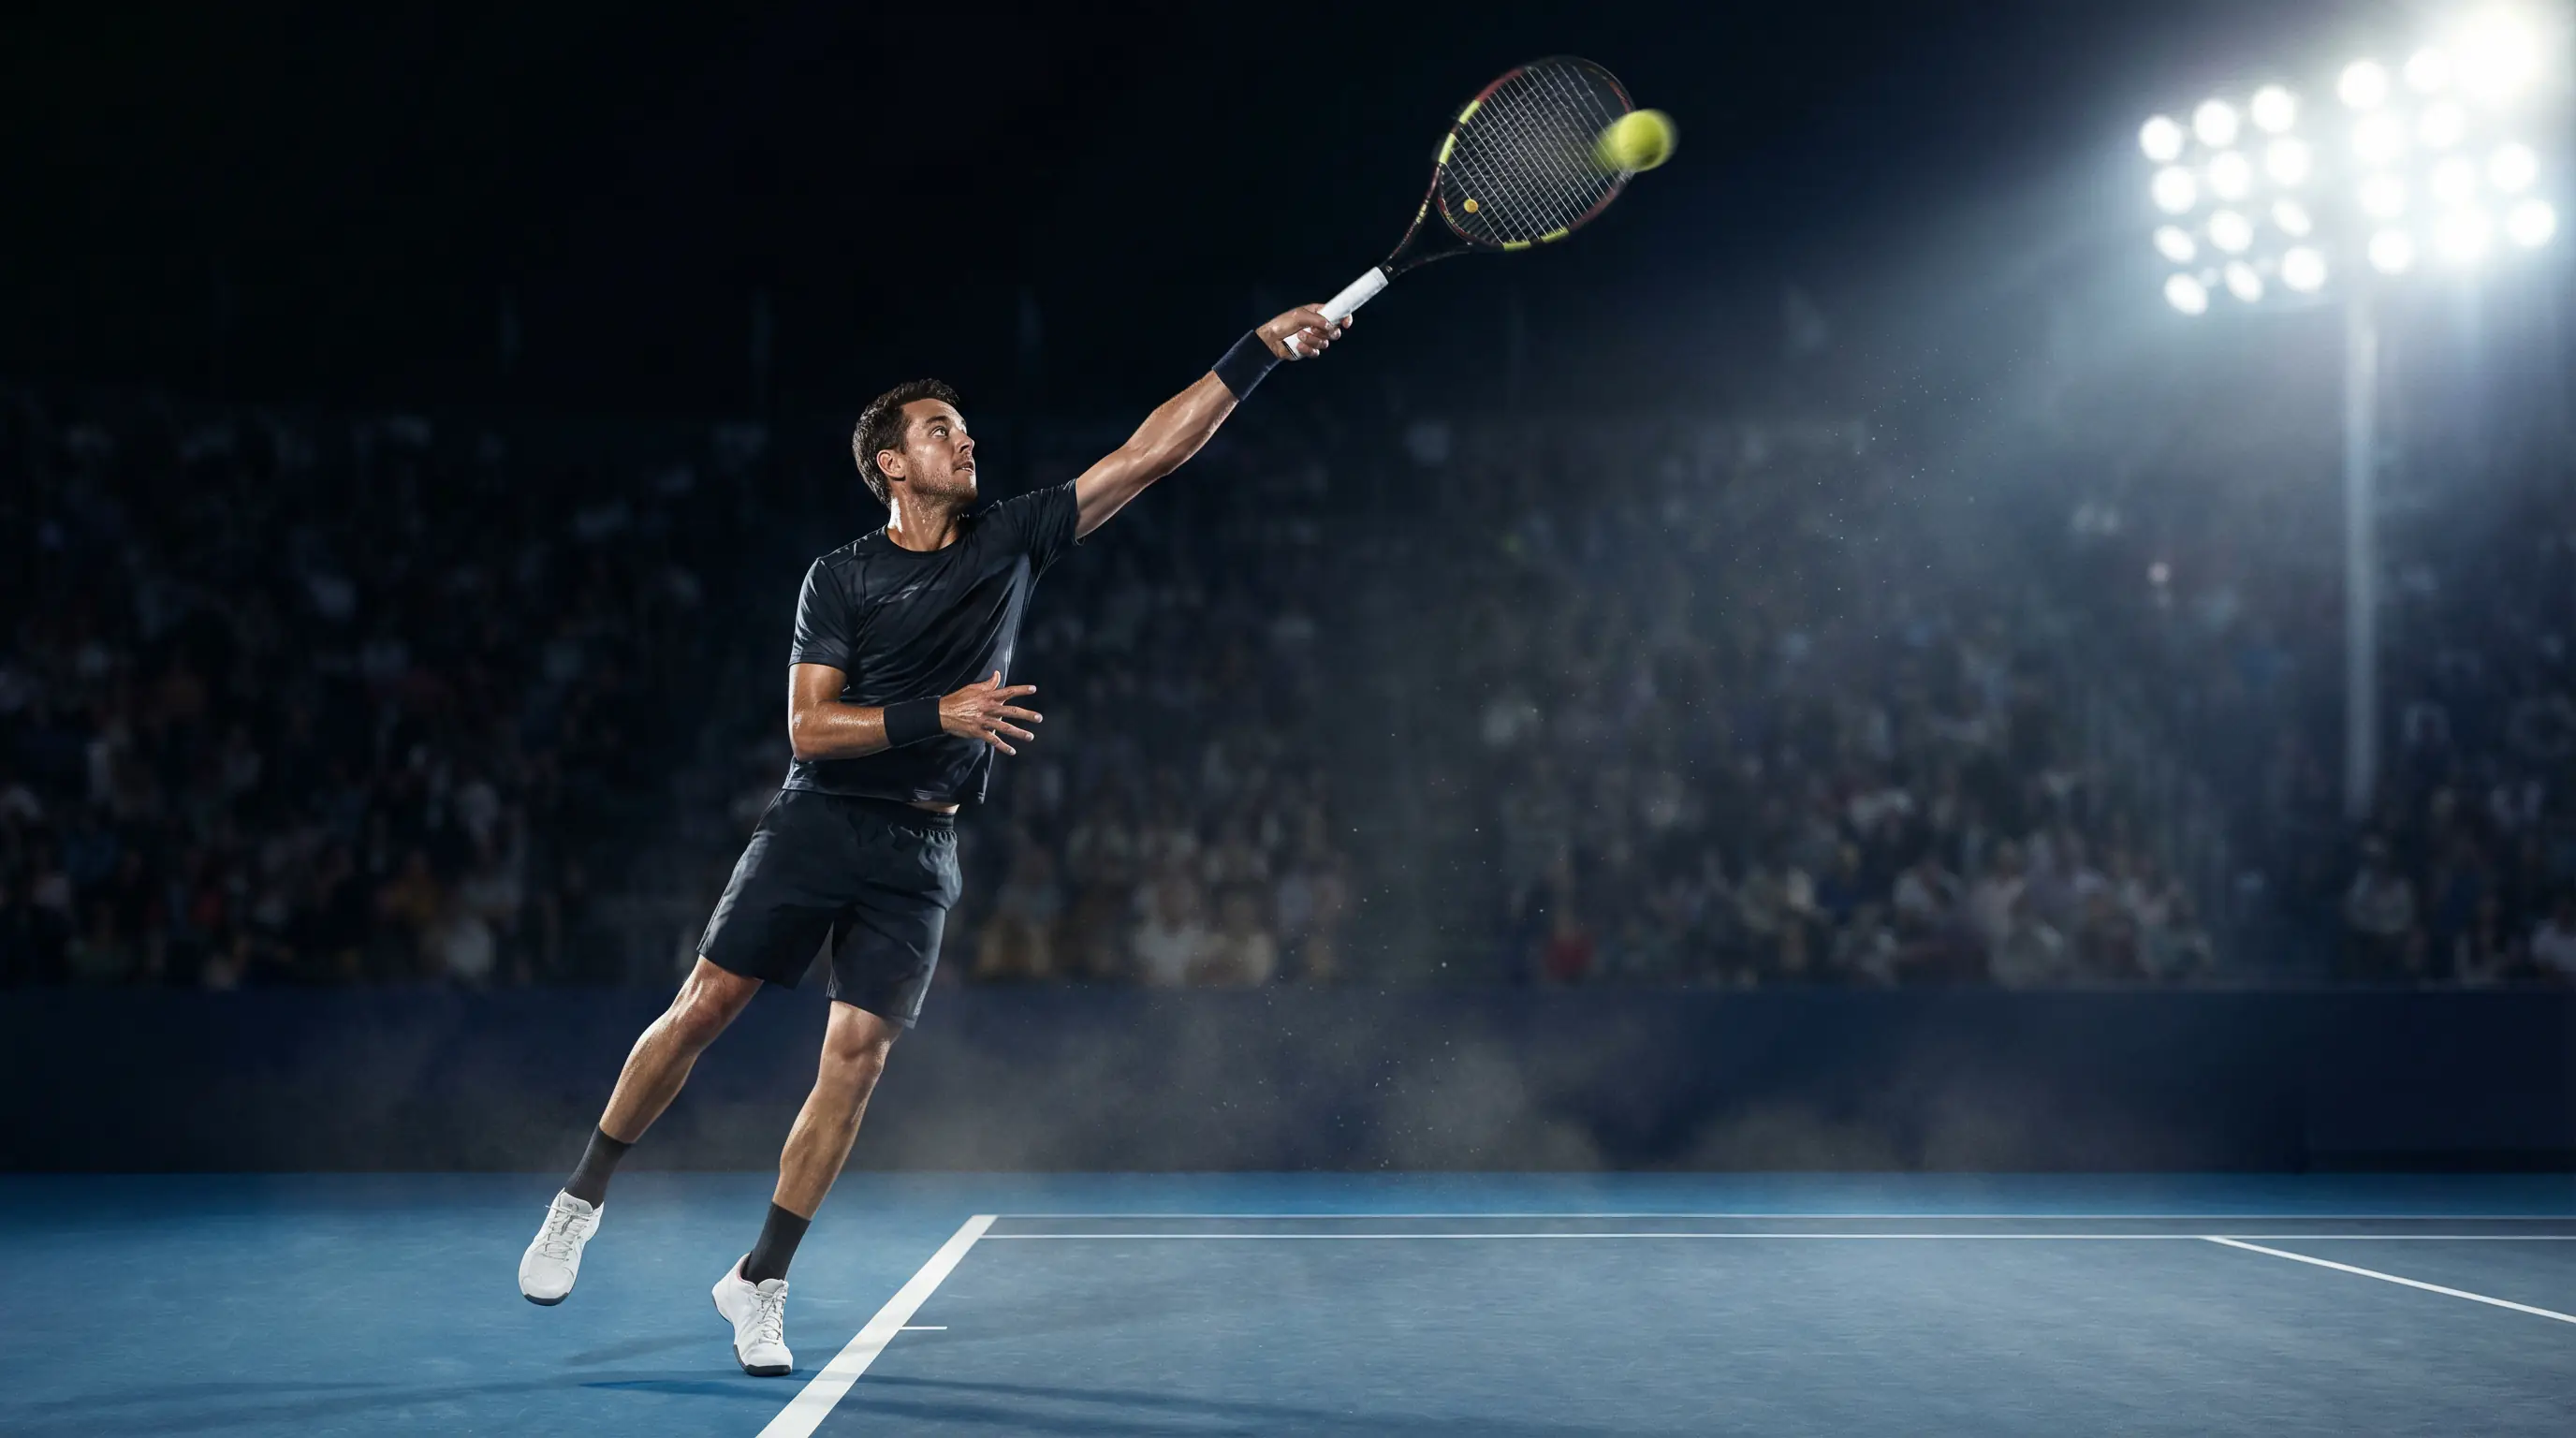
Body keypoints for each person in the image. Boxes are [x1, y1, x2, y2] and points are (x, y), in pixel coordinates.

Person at [514, 303, 1352, 1375]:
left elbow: (1149, 455)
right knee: (704, 1007)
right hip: (819, 818)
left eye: (964, 428)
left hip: (921, 852)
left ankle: (759, 1281)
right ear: (891, 466)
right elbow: (809, 727)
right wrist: (939, 714)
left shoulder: (1012, 536)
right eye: (940, 430)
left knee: (854, 1064)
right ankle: (581, 1199)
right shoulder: (841, 576)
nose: (966, 440)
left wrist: (1254, 355)